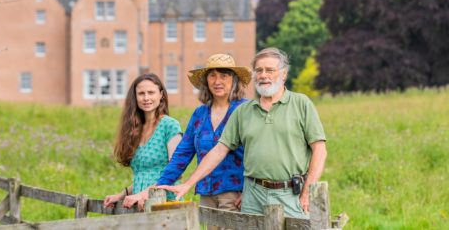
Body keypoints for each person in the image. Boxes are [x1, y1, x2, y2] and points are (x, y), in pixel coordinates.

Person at [158, 48, 327, 218]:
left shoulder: (301, 104)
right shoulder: (244, 111)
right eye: (259, 70)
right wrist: (187, 184)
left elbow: (320, 150)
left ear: (283, 74)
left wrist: (307, 191)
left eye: (270, 70)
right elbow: (218, 150)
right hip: (252, 195)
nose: (263, 75)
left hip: (290, 192)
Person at [156, 54, 251, 229]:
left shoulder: (246, 110)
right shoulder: (199, 114)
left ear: (234, 80)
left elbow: (258, 152)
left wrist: (250, 191)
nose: (218, 81)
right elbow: (182, 154)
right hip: (206, 193)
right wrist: (160, 185)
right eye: (212, 75)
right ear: (206, 81)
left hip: (236, 193)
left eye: (224, 75)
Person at [104, 73, 182, 210]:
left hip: (164, 203)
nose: (146, 98)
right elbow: (144, 176)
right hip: (139, 204)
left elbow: (175, 172)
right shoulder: (135, 129)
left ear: (161, 94)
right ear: (135, 97)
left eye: (151, 92)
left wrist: (143, 194)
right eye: (141, 93)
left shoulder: (170, 126)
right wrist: (122, 195)